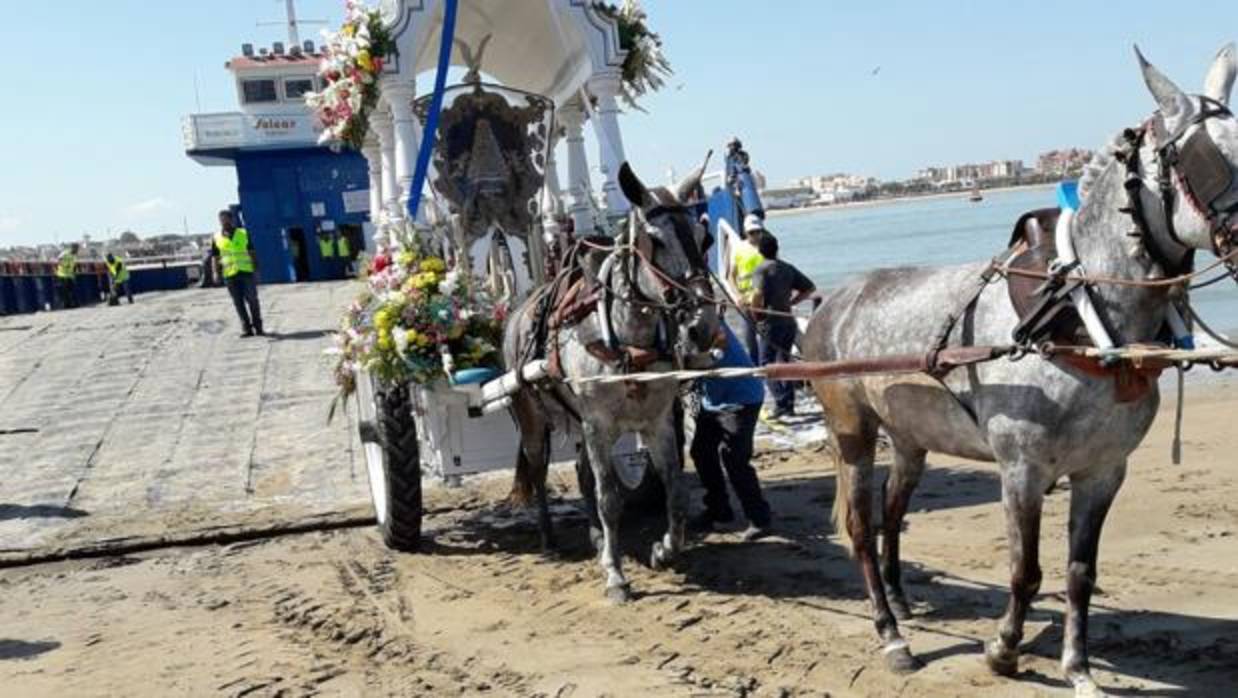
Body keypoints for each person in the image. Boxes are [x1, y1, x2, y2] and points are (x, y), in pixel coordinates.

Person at [688, 323, 772, 541]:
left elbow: (717, 346)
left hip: (741, 397)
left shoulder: (709, 323)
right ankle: (719, 510)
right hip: (712, 400)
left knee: (734, 458)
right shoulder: (676, 325)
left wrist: (685, 363)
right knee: (701, 452)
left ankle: (760, 518)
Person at [751, 233, 816, 420]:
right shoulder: (787, 268)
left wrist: (756, 314)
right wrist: (792, 302)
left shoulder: (761, 269)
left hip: (770, 322)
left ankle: (781, 404)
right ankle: (789, 405)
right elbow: (809, 288)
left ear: (760, 251)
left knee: (766, 364)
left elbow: (757, 295)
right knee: (785, 362)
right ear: (776, 249)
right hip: (788, 320)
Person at [212, 211, 264, 337]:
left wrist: (256, 270)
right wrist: (216, 272)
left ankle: (258, 327)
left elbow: (252, 252)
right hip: (230, 274)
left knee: (252, 300)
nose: (224, 222)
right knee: (238, 302)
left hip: (245, 272)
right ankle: (246, 328)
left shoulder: (243, 233)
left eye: (226, 219)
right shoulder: (216, 237)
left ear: (232, 220)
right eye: (221, 220)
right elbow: (215, 257)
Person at [730, 213, 766, 360]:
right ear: (746, 232)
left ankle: (767, 366)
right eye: (752, 232)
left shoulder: (767, 247)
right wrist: (737, 296)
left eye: (758, 232)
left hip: (764, 299)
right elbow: (731, 276)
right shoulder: (738, 248)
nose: (755, 235)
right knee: (749, 337)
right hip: (746, 300)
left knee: (766, 336)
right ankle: (754, 365)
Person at [55, 243, 80, 310]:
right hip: (62, 274)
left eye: (77, 249)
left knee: (71, 290)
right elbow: (59, 260)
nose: (77, 250)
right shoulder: (65, 253)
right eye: (76, 248)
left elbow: (73, 264)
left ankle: (73, 304)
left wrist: (75, 270)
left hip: (70, 275)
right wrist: (64, 265)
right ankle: (66, 305)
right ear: (72, 248)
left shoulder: (74, 256)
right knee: (65, 291)